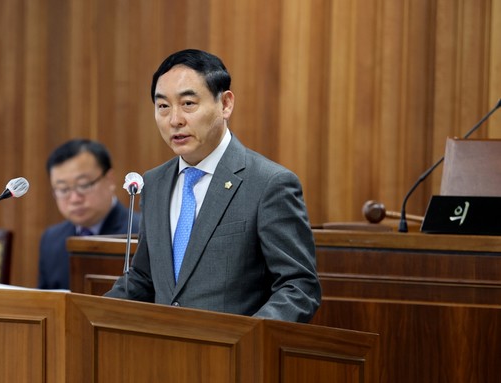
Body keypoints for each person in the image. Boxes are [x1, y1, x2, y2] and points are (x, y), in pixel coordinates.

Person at [104, 49, 321, 322]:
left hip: (233, 346)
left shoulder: (268, 183)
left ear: (225, 104)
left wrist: (246, 338)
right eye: (163, 106)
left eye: (188, 104)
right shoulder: (154, 183)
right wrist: (91, 315)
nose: (175, 120)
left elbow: (299, 286)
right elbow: (144, 278)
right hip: (163, 344)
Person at [39, 139, 140, 290]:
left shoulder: (142, 232)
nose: (74, 199)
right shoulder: (51, 239)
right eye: (63, 189)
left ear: (110, 179)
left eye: (84, 185)